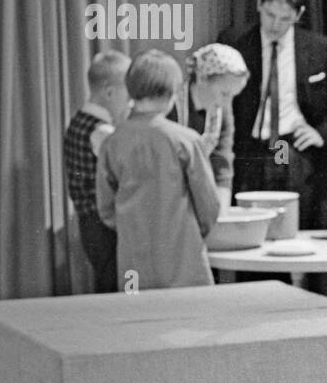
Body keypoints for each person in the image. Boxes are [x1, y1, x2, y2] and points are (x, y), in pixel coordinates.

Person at [218, 0, 327, 229]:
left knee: (298, 225)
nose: (274, 25)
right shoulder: (235, 43)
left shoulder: (321, 49)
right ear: (259, 4)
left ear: (299, 15)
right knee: (251, 229)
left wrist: (324, 132)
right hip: (251, 150)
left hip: (292, 150)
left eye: (284, 19)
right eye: (269, 15)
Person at [97, 50, 221, 291]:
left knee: (139, 323)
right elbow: (209, 206)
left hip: (133, 258)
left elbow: (105, 207)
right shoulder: (186, 140)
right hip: (184, 257)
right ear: (172, 93)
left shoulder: (113, 142)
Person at [63, 50, 131, 293]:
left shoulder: (79, 120)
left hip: (89, 222)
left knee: (107, 279)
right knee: (113, 283)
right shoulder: (103, 132)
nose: (130, 100)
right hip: (104, 225)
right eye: (128, 92)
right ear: (110, 92)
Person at [169, 43, 250, 208]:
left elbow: (222, 164)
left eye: (233, 96)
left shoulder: (222, 112)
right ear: (202, 78)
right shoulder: (170, 106)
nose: (227, 102)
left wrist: (221, 214)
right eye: (224, 93)